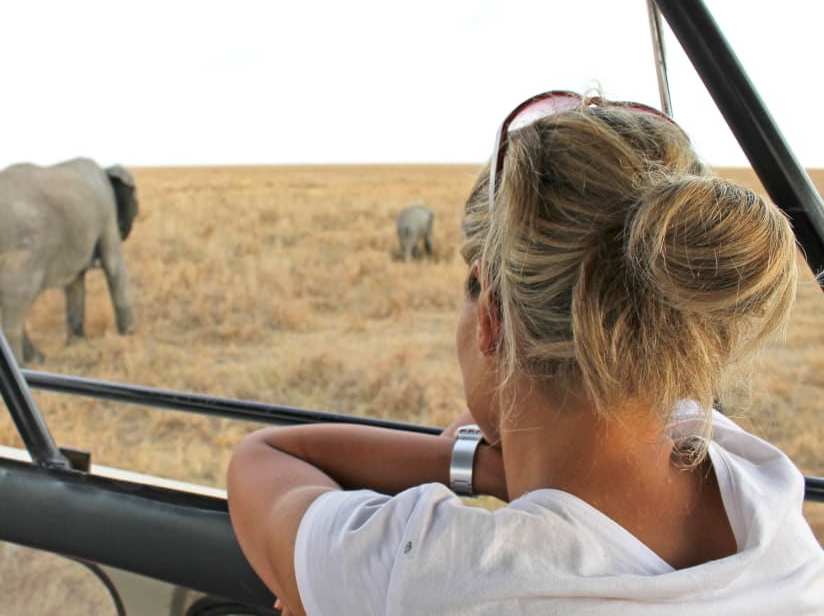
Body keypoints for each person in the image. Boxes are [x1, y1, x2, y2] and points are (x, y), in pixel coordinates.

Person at [226, 90, 824, 614]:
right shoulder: (764, 490)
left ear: (491, 315)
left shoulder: (435, 576)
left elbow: (262, 457)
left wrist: (479, 467)